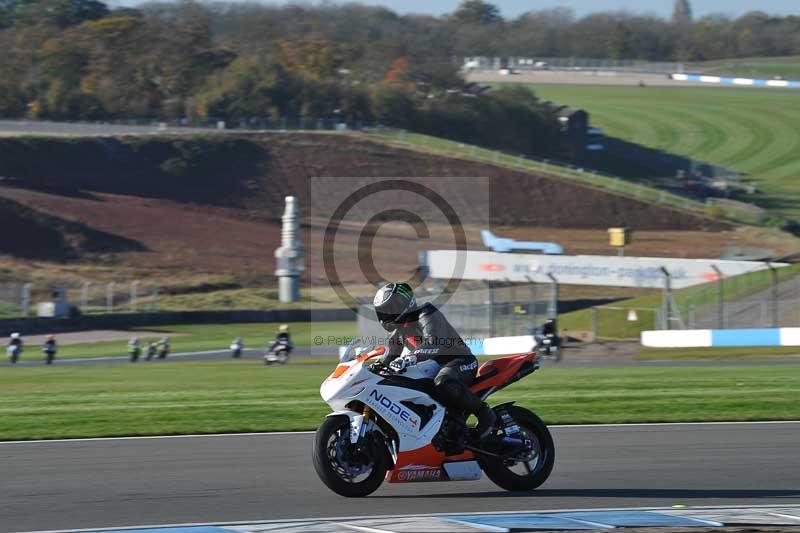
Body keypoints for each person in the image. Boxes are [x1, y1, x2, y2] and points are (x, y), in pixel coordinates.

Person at [374, 282, 496, 440]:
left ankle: (484, 413)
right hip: (434, 366)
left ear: (403, 304)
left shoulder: (426, 313)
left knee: (443, 382)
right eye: (382, 312)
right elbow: (387, 359)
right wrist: (373, 368)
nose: (386, 315)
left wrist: (411, 357)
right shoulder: (399, 332)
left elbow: (434, 342)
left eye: (389, 309)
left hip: (461, 360)